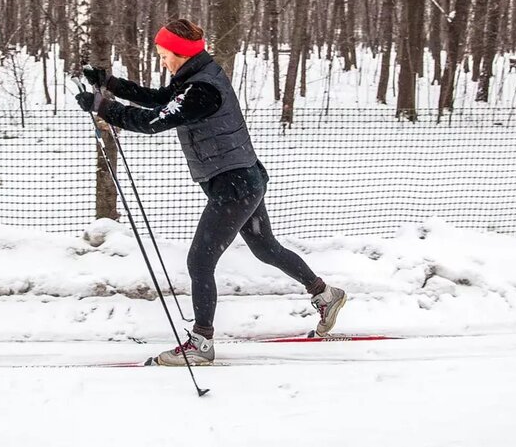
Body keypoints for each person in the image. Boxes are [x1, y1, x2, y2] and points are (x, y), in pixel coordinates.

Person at [75, 18, 346, 366]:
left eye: (163, 54)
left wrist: (103, 107)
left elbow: (153, 121)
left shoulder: (203, 90)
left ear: (180, 53)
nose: (161, 60)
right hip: (243, 178)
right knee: (266, 248)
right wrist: (111, 84)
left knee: (200, 261)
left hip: (234, 185)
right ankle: (326, 295)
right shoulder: (194, 77)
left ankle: (201, 342)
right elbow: (160, 98)